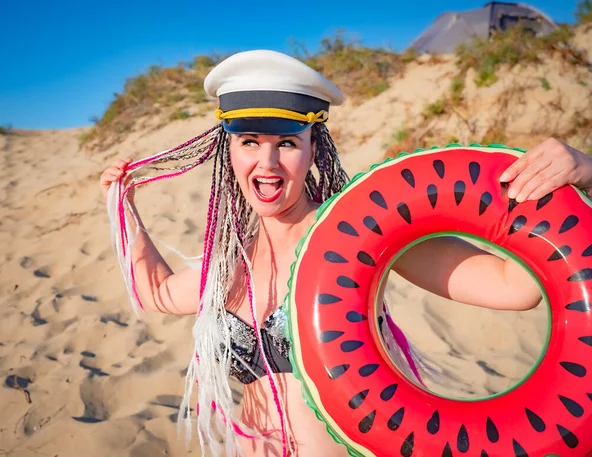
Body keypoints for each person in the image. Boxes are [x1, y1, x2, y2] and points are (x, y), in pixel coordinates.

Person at [99, 50, 592, 457]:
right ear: (230, 149)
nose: (267, 164)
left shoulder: (361, 234)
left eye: (287, 143)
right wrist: (123, 211)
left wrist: (582, 172)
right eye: (250, 141)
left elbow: (517, 287)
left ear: (316, 148)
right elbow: (160, 291)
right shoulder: (233, 258)